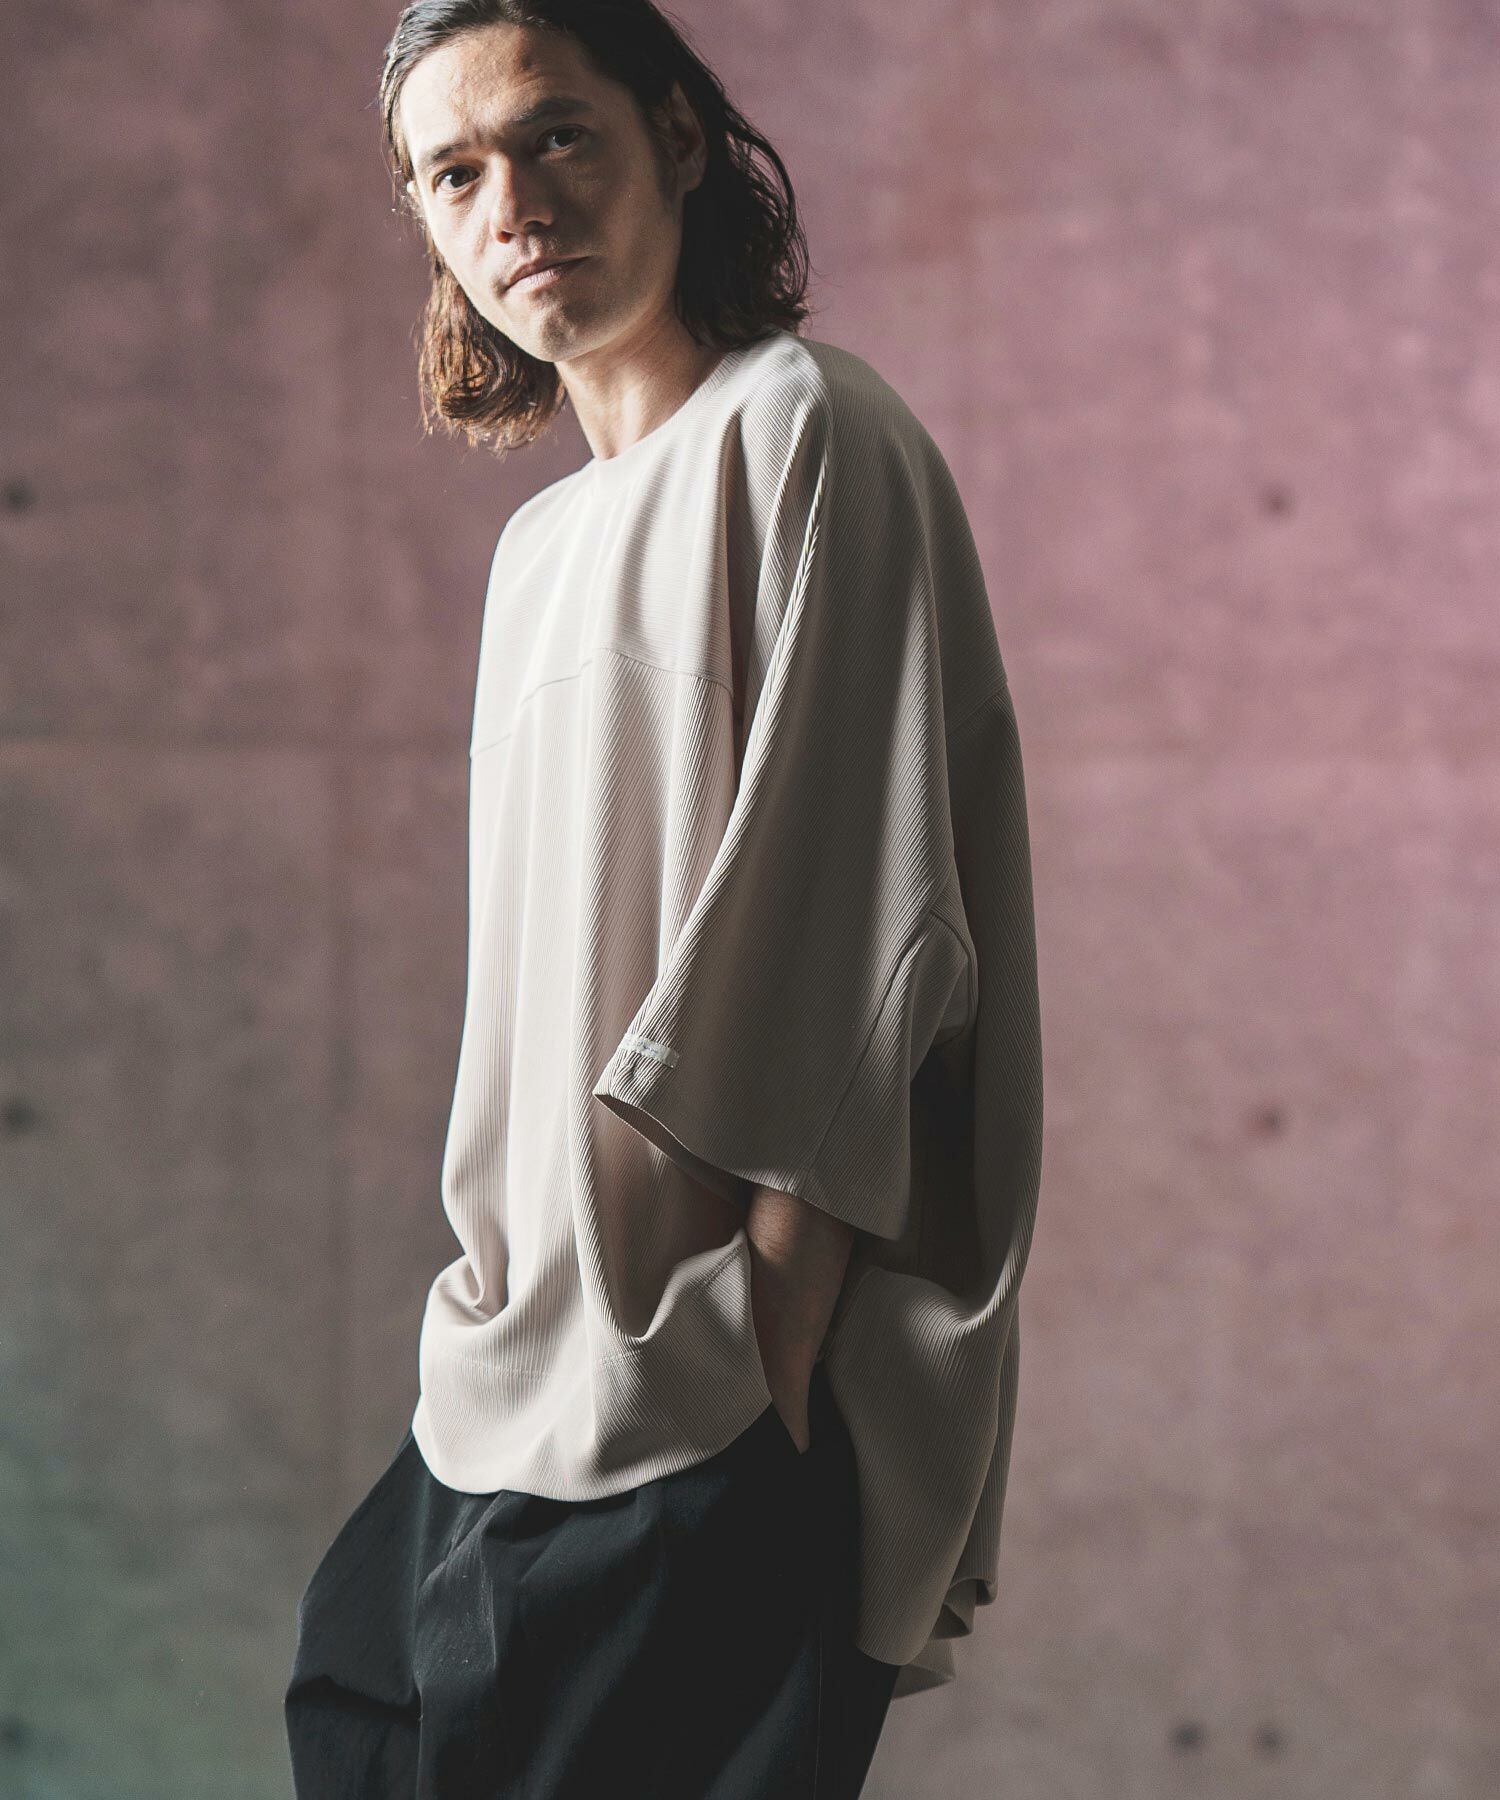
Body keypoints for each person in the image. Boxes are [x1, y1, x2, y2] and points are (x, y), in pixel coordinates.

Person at [284, 3, 1044, 1795]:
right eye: (453, 173)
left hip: (707, 1395)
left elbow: (859, 931)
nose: (512, 204)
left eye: (557, 133)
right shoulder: (537, 548)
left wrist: (759, 1356)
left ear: (679, 141)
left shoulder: (808, 430)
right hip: (510, 1377)